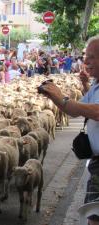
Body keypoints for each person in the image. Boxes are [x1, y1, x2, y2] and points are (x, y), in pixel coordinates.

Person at [41, 35, 99, 225]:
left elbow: (96, 111)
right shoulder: (97, 85)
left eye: (92, 56)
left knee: (95, 218)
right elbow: (77, 110)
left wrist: (62, 99)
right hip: (96, 163)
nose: (86, 61)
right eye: (86, 56)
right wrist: (85, 86)